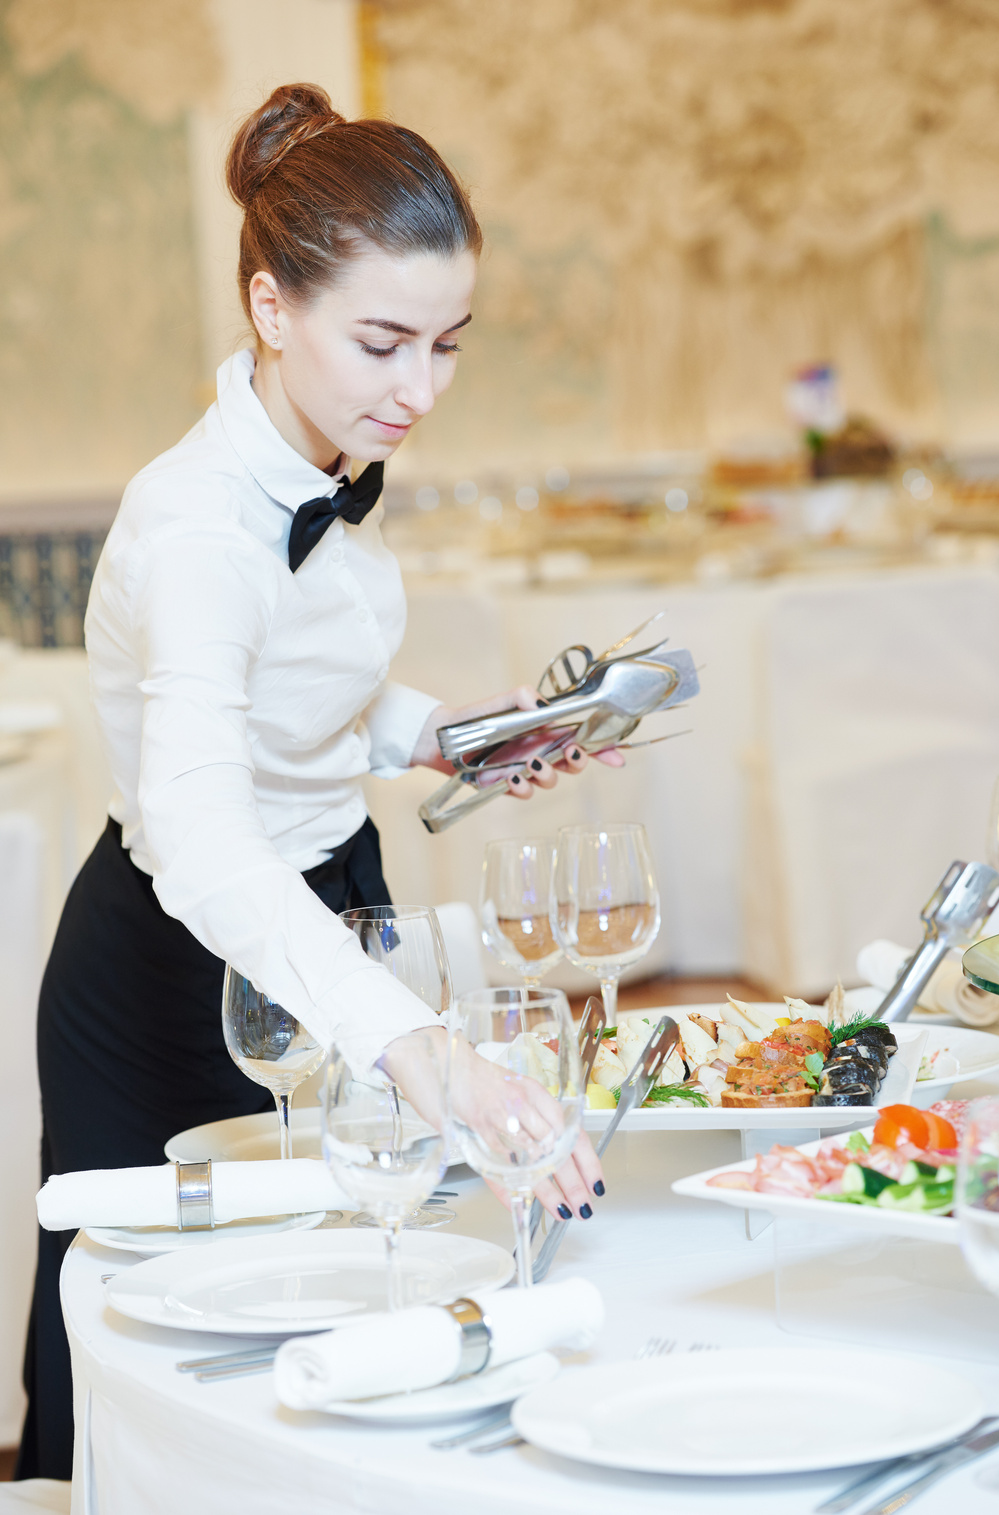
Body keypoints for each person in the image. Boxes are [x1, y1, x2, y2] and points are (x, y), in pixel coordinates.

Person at [16, 83, 613, 1481]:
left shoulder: (326, 450)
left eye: (450, 343)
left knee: (355, 1290)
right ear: (272, 309)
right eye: (386, 342)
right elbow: (208, 840)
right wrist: (416, 1045)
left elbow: (300, 685)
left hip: (331, 903)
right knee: (182, 1361)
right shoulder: (199, 532)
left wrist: (438, 735)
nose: (422, 390)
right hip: (183, 959)